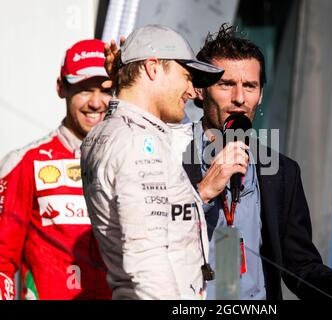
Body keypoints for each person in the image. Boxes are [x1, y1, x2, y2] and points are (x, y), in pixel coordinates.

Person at [181, 24, 332, 300]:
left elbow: (300, 264)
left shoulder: (283, 172)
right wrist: (203, 191)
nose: (239, 98)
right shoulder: (171, 151)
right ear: (200, 90)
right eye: (226, 84)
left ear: (261, 94)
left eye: (250, 86)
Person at [80, 24, 224, 299]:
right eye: (186, 76)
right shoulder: (137, 142)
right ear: (153, 68)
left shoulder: (107, 132)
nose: (193, 92)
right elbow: (146, 255)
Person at [0, 39, 112, 300]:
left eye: (105, 90)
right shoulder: (25, 162)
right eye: (84, 89)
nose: (96, 103)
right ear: (62, 88)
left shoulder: (132, 161)